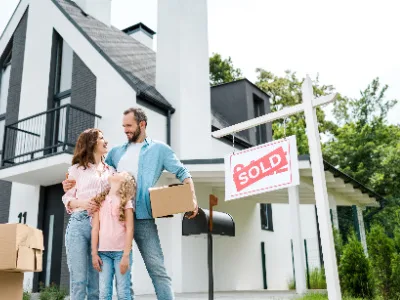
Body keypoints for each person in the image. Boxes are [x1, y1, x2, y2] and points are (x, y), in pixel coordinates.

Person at [63, 107, 198, 300]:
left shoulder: (160, 149)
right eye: (123, 126)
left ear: (142, 124)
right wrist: (68, 183)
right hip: (113, 218)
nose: (125, 129)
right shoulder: (116, 153)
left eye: (129, 125)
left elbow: (183, 172)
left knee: (157, 268)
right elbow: (94, 173)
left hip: (142, 217)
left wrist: (191, 197)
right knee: (111, 278)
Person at [62, 128, 114, 300]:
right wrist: (86, 203)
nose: (105, 141)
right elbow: (68, 200)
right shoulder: (76, 170)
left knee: (97, 282)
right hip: (79, 223)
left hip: (101, 226)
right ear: (91, 143)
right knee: (78, 281)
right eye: (101, 138)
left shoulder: (111, 171)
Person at [91, 171, 135, 300]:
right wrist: (94, 253)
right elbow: (95, 229)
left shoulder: (126, 202)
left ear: (123, 181)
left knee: (123, 292)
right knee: (104, 293)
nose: (115, 172)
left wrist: (126, 255)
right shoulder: (100, 200)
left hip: (121, 253)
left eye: (120, 173)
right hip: (103, 253)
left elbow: (130, 229)